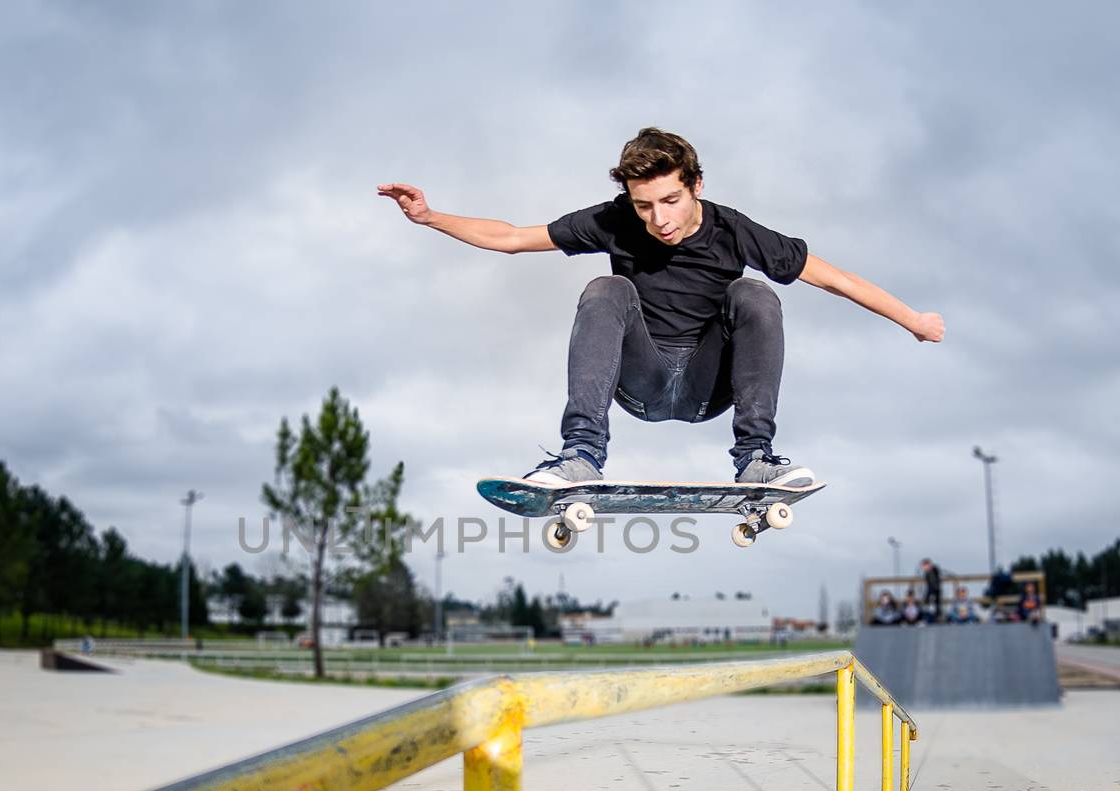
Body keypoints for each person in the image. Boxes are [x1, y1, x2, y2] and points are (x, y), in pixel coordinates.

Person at [379, 127, 945, 485]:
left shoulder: (735, 231)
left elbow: (835, 279)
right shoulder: (614, 220)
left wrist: (913, 321)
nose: (660, 219)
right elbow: (511, 237)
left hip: (707, 388)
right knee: (607, 289)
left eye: (671, 200)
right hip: (640, 384)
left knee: (753, 293)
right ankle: (581, 454)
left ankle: (755, 458)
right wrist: (431, 216)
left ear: (696, 184)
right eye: (644, 205)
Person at [919, 558, 943, 623]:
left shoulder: (933, 571)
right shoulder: (927, 573)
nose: (923, 568)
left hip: (934, 591)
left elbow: (935, 583)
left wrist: (932, 593)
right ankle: (929, 619)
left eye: (924, 566)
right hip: (930, 590)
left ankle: (935, 619)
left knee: (934, 606)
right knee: (929, 606)